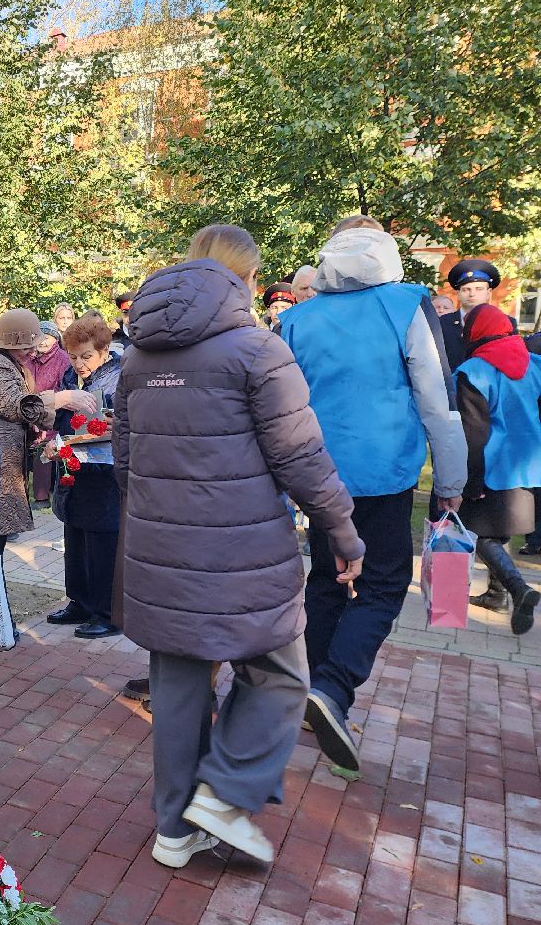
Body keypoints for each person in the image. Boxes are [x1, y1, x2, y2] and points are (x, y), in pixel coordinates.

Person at [115, 223, 363, 868]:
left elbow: (125, 460)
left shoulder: (139, 357)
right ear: (248, 279)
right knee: (281, 675)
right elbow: (301, 456)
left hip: (160, 553)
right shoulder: (257, 350)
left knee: (178, 685)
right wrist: (341, 530)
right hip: (243, 555)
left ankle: (173, 830)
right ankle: (225, 798)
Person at [278, 216, 465, 774]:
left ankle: (311, 694)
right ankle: (333, 688)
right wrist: (451, 483)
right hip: (385, 471)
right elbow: (435, 397)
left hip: (317, 474)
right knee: (383, 584)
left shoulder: (297, 317)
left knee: (325, 580)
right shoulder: (409, 304)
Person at [453, 303, 541, 633]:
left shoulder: (474, 371)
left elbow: (472, 433)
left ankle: (519, 590)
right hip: (529, 464)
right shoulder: (534, 365)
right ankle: (496, 595)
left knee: (480, 533)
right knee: (499, 529)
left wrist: (469, 481)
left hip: (492, 464)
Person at [47, 311, 123, 639]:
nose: (79, 363)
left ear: (104, 351)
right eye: (74, 356)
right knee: (74, 535)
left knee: (102, 542)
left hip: (104, 471)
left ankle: (107, 612)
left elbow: (123, 422)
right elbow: (59, 418)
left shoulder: (119, 377)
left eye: (87, 356)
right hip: (72, 465)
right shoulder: (69, 376)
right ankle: (79, 601)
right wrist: (54, 441)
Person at [0, 310, 56, 554]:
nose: (32, 352)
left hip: (3, 469)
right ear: (11, 343)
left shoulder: (9, 360)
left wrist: (32, 428)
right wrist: (60, 399)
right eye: (26, 347)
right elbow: (16, 404)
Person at [24, 320, 71, 506]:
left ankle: (42, 497)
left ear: (55, 339)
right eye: (39, 337)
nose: (43, 341)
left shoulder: (62, 359)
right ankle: (22, 497)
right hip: (28, 410)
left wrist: (47, 404)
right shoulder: (29, 357)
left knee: (42, 445)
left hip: (53, 414)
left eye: (48, 337)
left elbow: (65, 387)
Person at [441, 258, 515, 371]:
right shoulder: (442, 323)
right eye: (466, 289)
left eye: (479, 289)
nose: (472, 294)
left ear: (488, 293)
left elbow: (512, 360)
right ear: (458, 294)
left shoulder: (506, 324)